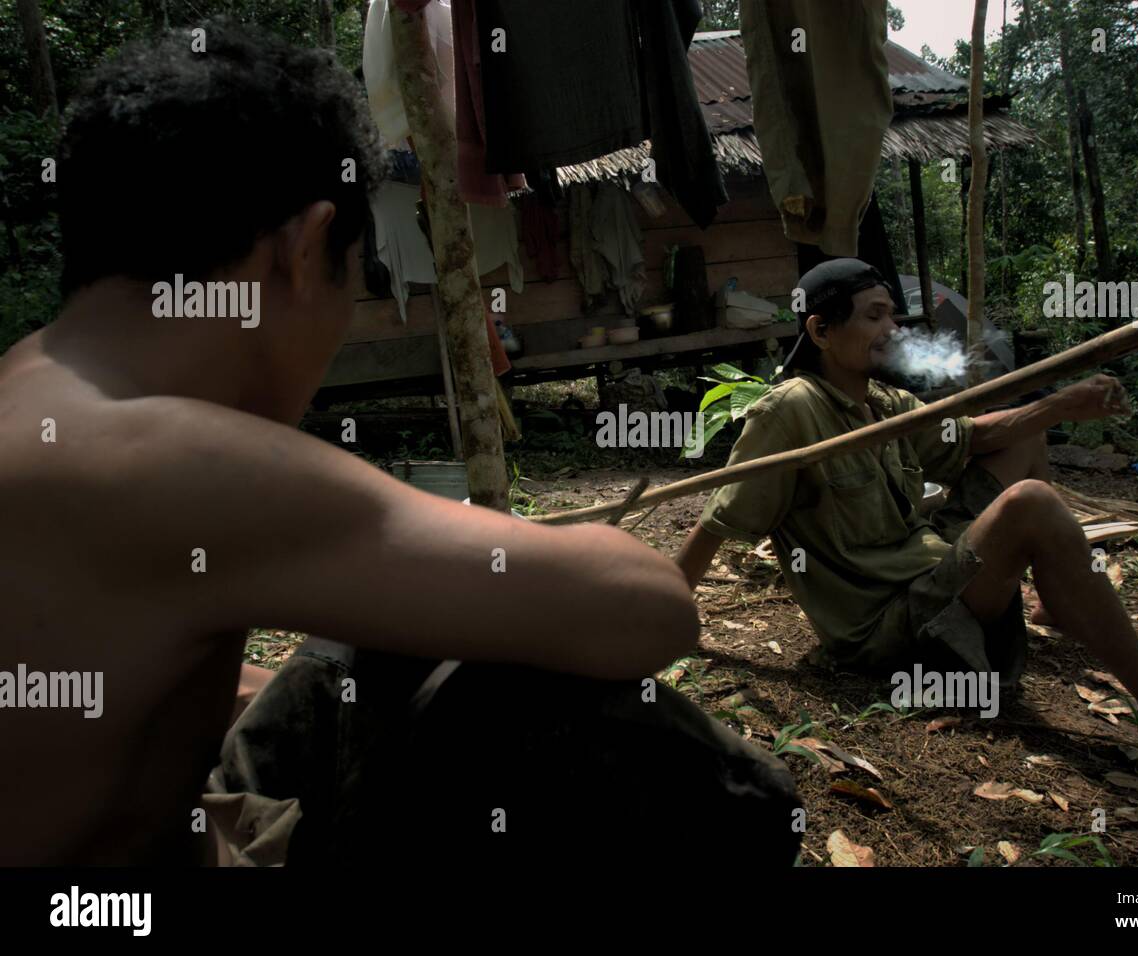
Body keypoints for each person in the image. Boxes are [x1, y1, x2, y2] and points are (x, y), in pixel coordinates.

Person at [0, 24, 799, 866]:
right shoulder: (162, 458)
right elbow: (649, 607)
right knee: (542, 689)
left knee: (358, 646)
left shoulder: (29, 390)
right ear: (306, 252)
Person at [676, 258, 1138, 780]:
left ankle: (1059, 601)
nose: (892, 327)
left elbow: (969, 435)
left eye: (891, 313)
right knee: (1030, 501)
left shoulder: (882, 401)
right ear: (819, 330)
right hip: (890, 623)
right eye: (874, 316)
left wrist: (1057, 407)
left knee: (1027, 439)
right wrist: (669, 613)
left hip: (928, 566)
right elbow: (720, 519)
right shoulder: (792, 410)